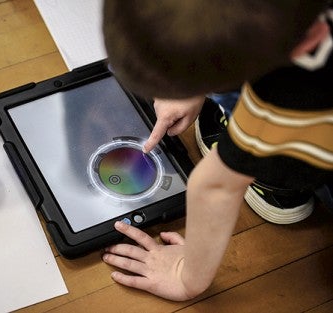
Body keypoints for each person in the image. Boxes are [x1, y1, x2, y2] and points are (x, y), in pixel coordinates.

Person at [101, 0, 333, 301]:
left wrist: (187, 276)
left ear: (309, 38)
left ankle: (279, 175)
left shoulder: (292, 97)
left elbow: (214, 188)